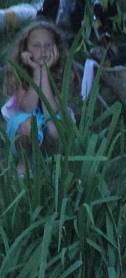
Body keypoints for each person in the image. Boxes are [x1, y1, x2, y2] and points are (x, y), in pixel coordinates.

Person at [2, 20, 67, 175]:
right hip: (23, 118)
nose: (43, 51)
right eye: (36, 46)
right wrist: (37, 72)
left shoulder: (63, 74)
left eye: (48, 45)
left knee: (53, 128)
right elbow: (28, 108)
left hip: (51, 116)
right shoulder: (19, 73)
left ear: (56, 48)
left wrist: (44, 72)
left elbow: (49, 111)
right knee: (29, 127)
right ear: (25, 50)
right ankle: (23, 166)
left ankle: (50, 166)